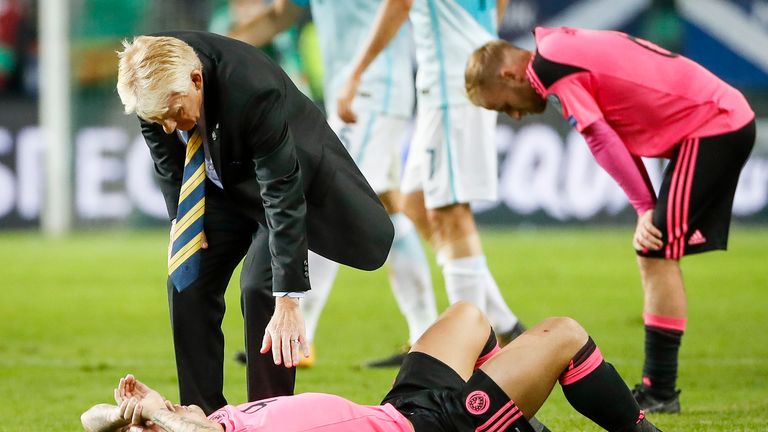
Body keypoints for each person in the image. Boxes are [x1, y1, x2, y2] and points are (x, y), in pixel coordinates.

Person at [464, 26, 756, 413]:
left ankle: (660, 392)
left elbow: (600, 137)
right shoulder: (556, 46)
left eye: (504, 106)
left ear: (509, 75)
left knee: (654, 250)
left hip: (713, 124)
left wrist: (643, 207)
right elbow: (610, 131)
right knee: (654, 249)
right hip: (712, 119)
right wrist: (646, 204)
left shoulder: (550, 69)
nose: (515, 116)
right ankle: (658, 390)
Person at [115, 31, 394, 414]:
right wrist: (182, 219)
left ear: (197, 81)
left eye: (174, 113)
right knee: (187, 279)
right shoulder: (150, 84)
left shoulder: (251, 89)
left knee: (262, 288)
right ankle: (203, 415)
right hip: (218, 184)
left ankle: (269, 416)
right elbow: (167, 158)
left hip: (280, 181)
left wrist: (289, 299)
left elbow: (281, 192)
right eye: (156, 119)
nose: (168, 127)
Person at [229, 0, 438, 368]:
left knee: (324, 202)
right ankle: (426, 338)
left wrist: (358, 74)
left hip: (370, 91)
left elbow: (401, 4)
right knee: (388, 207)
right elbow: (281, 14)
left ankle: (299, 335)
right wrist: (218, 47)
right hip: (362, 92)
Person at [81, 302, 663, 432]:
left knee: (467, 317)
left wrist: (133, 413)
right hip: (433, 428)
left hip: (398, 406)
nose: (166, 407)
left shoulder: (227, 418)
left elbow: (90, 418)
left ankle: (514, 427)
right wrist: (153, 415)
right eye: (154, 425)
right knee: (563, 335)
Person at [337, 0, 526, 349]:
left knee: (450, 212)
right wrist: (481, 35)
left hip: (454, 79)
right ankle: (504, 323)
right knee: (417, 203)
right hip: (459, 69)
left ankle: (469, 352)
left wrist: (357, 70)